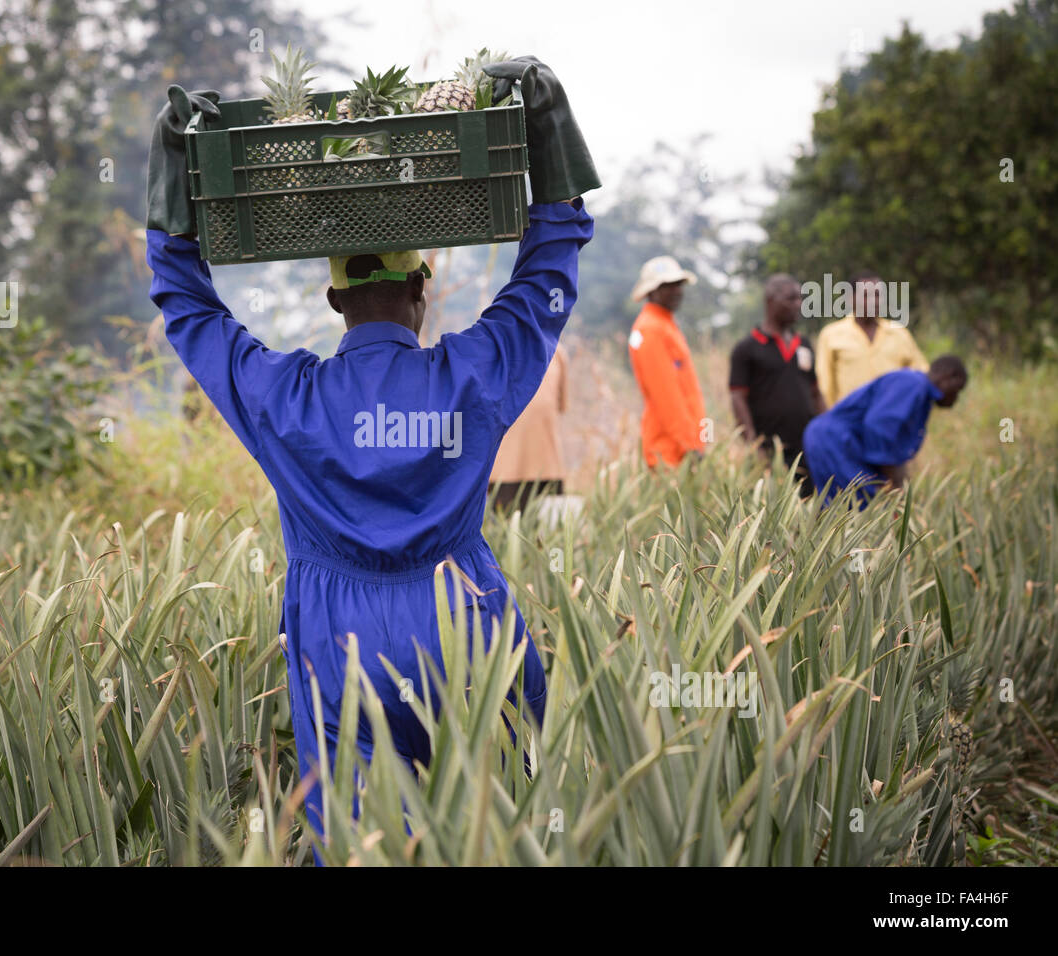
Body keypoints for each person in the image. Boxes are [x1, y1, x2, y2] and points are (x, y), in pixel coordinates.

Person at [144, 56, 599, 860]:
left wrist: (171, 182)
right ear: (423, 290)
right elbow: (545, 284)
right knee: (495, 821)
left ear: (332, 299)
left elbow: (188, 310)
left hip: (339, 636)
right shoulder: (473, 377)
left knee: (355, 834)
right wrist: (552, 146)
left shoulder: (283, 399)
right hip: (462, 617)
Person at [802, 356, 968, 508]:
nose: (955, 398)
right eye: (957, 389)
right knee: (857, 510)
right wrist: (891, 480)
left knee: (848, 508)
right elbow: (880, 427)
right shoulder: (913, 383)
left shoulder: (920, 392)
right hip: (835, 442)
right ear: (948, 376)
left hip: (838, 442)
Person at [730, 274, 826, 494]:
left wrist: (826, 432)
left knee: (812, 511)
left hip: (807, 447)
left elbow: (815, 393)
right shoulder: (747, 348)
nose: (798, 305)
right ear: (770, 301)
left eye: (800, 298)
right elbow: (738, 398)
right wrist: (753, 445)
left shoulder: (803, 344)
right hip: (770, 450)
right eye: (791, 299)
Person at [627, 256, 705, 468]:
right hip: (669, 453)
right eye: (668, 286)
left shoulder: (665, 325)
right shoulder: (651, 329)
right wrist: (689, 446)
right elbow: (666, 395)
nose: (677, 291)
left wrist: (700, 441)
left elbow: (688, 392)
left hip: (682, 449)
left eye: (678, 284)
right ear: (651, 291)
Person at [816, 270, 929, 407]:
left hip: (891, 419)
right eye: (866, 296)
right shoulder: (831, 335)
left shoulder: (899, 333)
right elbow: (825, 386)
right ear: (850, 298)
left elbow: (920, 375)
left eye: (878, 295)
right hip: (849, 421)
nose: (874, 301)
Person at [489, 344, 569, 512]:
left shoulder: (489, 349)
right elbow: (561, 406)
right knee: (545, 535)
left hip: (504, 470)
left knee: (502, 532)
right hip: (545, 467)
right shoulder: (556, 352)